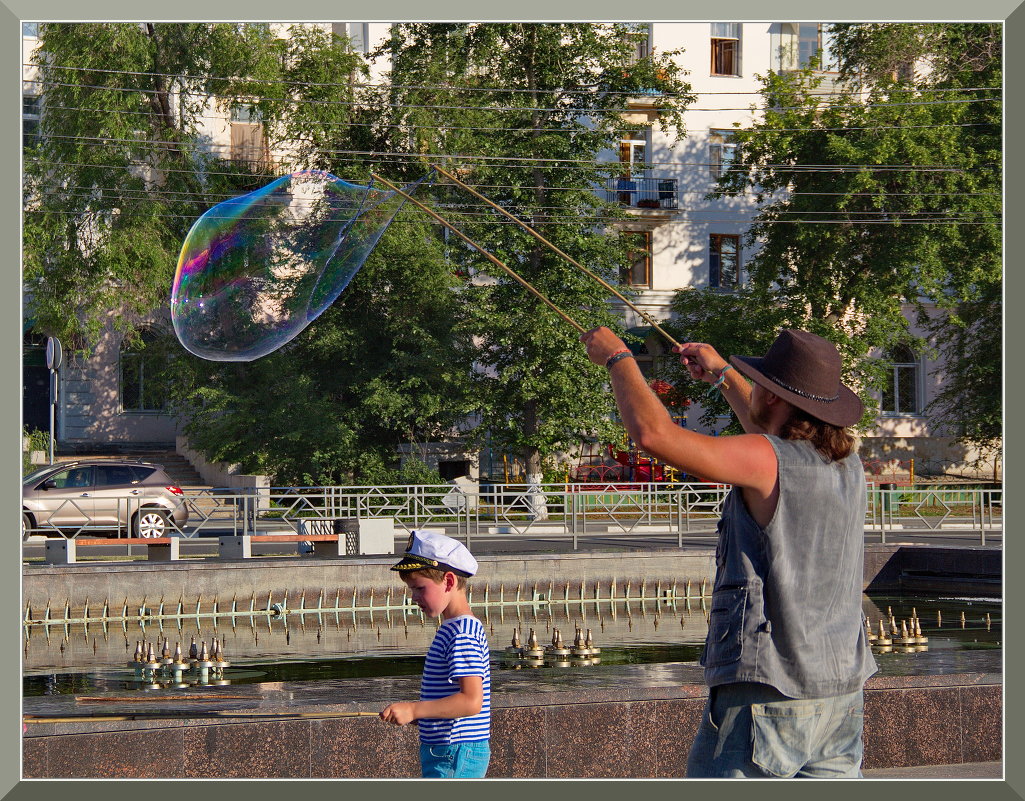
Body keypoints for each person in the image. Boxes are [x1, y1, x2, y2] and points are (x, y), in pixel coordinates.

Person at [581, 326, 877, 778]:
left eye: (762, 385)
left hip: (770, 689)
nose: (755, 389)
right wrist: (721, 375)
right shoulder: (845, 461)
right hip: (840, 694)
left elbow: (655, 436)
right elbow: (767, 431)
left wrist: (620, 358)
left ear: (775, 397)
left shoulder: (768, 460)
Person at [380, 530, 491, 778]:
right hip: (448, 749)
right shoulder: (454, 628)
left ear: (449, 582)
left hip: (454, 752)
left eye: (419, 588)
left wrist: (414, 710)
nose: (414, 597)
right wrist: (424, 716)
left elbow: (471, 701)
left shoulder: (462, 632)